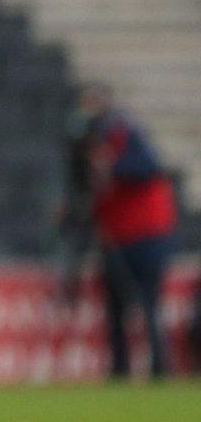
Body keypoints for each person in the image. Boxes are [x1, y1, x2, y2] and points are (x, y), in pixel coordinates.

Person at [66, 83, 180, 380]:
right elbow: (89, 189)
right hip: (115, 236)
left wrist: (111, 166)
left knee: (148, 303)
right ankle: (120, 369)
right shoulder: (91, 143)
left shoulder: (127, 135)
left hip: (146, 236)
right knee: (115, 309)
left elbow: (148, 168)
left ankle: (159, 368)